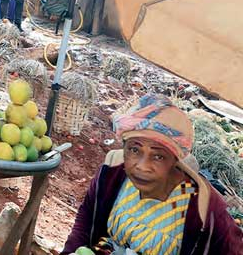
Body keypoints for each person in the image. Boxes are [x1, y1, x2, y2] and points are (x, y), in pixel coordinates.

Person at [62, 94, 243, 255]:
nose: (142, 166)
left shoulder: (204, 207)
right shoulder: (111, 174)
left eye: (158, 156)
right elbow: (85, 221)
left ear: (175, 160)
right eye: (134, 149)